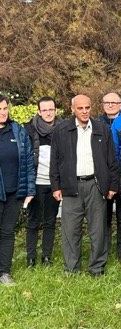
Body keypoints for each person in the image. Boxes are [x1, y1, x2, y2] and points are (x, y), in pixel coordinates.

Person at [50, 94, 118, 276]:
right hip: (71, 186)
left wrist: (112, 185)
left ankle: (97, 268)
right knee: (70, 230)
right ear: (73, 109)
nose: (84, 111)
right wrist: (56, 186)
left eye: (87, 107)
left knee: (98, 229)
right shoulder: (61, 130)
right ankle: (72, 269)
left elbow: (111, 159)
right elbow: (55, 160)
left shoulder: (102, 129)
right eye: (80, 108)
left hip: (96, 185)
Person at [0, 95, 35, 285]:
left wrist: (29, 190)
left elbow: (28, 161)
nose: (3, 112)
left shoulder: (18, 131)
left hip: (14, 192)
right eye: (0, 109)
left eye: (5, 108)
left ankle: (4, 271)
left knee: (7, 232)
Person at [24, 96, 61, 267]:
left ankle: (47, 256)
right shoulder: (29, 129)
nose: (48, 113)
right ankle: (31, 257)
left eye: (51, 109)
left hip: (54, 183)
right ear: (39, 111)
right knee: (33, 221)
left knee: (50, 221)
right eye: (44, 110)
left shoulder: (63, 129)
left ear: (55, 110)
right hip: (35, 182)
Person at [100, 90, 121, 260]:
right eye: (107, 103)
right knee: (103, 216)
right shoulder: (96, 123)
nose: (110, 105)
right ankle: (103, 251)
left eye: (114, 102)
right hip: (103, 176)